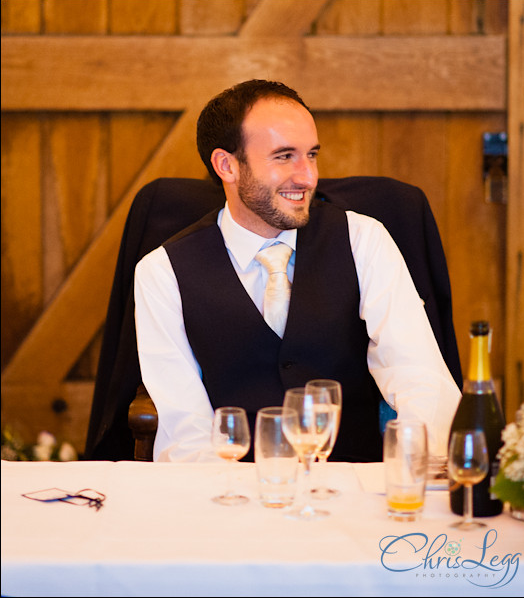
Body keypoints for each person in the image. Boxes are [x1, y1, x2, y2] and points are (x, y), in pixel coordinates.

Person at [134, 79, 461, 462]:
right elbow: (185, 430)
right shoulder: (162, 273)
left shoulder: (363, 239)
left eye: (312, 155)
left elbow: (418, 375)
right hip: (236, 495)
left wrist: (418, 476)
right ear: (227, 165)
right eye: (284, 156)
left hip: (352, 490)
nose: (307, 177)